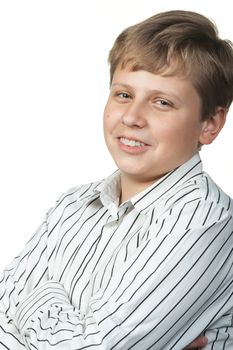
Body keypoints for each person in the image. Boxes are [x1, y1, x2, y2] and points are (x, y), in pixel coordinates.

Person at [0, 9, 233, 349]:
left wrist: (37, 299)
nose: (132, 117)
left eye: (162, 102)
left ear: (209, 125)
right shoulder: (72, 205)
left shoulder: (205, 223)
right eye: (123, 94)